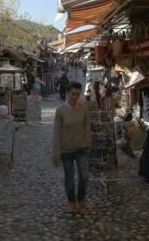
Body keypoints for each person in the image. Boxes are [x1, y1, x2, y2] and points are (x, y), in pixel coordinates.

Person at [51, 81, 92, 212]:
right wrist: (55, 152)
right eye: (73, 94)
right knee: (69, 177)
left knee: (84, 175)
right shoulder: (61, 110)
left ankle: (81, 200)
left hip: (81, 148)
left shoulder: (83, 108)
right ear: (68, 93)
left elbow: (87, 126)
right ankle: (71, 202)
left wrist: (88, 142)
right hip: (66, 150)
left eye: (78, 94)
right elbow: (56, 131)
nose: (75, 97)